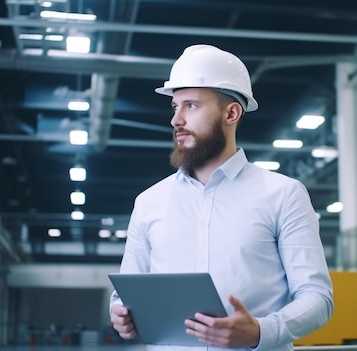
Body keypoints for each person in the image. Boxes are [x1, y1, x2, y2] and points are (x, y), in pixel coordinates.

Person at [109, 44, 333, 350]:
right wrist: (120, 314)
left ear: (231, 112)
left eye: (191, 105)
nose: (177, 120)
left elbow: (317, 298)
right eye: (175, 106)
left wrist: (260, 331)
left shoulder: (283, 195)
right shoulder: (149, 202)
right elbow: (125, 293)